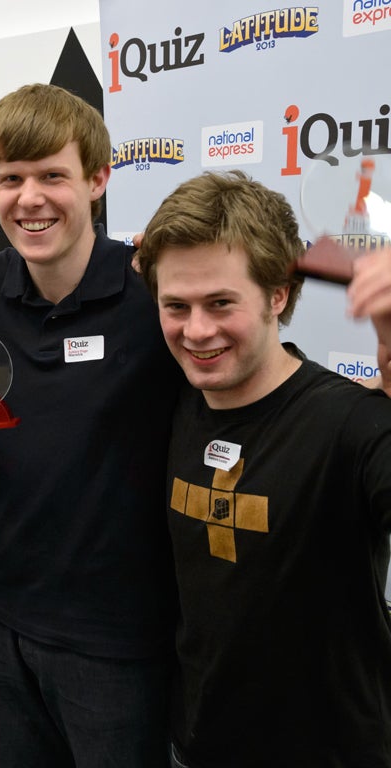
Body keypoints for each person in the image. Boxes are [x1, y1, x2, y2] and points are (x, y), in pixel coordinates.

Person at [0, 83, 180, 766]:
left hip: (115, 638)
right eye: (10, 178)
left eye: (52, 176)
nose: (29, 198)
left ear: (98, 180)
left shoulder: (153, 290)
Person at [135, 170, 391, 768]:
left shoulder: (353, 424)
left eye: (221, 303)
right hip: (195, 746)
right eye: (176, 305)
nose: (197, 331)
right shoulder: (174, 402)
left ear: (278, 295)